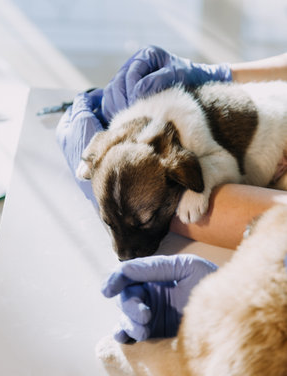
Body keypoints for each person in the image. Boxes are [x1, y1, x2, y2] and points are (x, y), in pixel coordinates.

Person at [56, 45, 287, 342]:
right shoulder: (132, 128)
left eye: (143, 221)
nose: (123, 252)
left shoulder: (185, 151)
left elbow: (218, 178)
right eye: (110, 223)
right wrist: (227, 73)